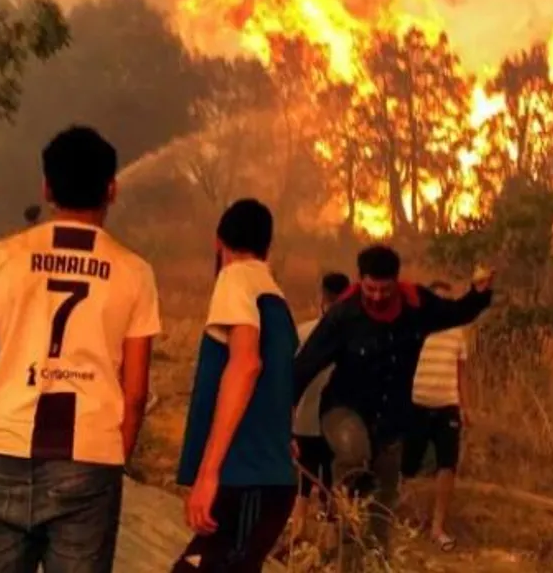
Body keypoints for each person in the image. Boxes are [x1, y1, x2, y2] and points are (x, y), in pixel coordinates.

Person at [0, 126, 161, 573]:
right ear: (111, 190)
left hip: (3, 453)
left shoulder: (1, 258)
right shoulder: (135, 272)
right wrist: (111, 463)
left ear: (47, 188)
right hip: (89, 461)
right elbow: (134, 394)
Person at [293, 245, 494, 561]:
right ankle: (342, 508)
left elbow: (456, 312)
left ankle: (374, 561)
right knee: (354, 458)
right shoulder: (344, 314)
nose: (376, 297)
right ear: (361, 281)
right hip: (343, 411)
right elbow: (304, 365)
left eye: (384, 290)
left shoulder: (416, 305)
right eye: (370, 289)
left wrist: (478, 295)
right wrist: (282, 415)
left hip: (391, 421)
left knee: (382, 507)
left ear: (396, 283)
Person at [174, 198, 299, 572]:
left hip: (245, 478)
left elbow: (245, 365)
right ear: (267, 247)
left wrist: (208, 474)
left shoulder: (235, 278)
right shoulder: (275, 296)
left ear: (218, 241)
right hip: (266, 481)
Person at [401, 279, 469, 552]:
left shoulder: (457, 332)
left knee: (447, 465)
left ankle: (437, 527)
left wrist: (465, 407)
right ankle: (402, 517)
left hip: (447, 405)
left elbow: (462, 373)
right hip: (416, 404)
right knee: (407, 466)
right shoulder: (414, 328)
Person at [289, 271, 350, 544]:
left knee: (303, 486)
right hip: (337, 423)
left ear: (322, 298)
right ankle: (328, 545)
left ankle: (297, 537)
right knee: (332, 485)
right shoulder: (353, 335)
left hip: (304, 420)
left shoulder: (303, 332)